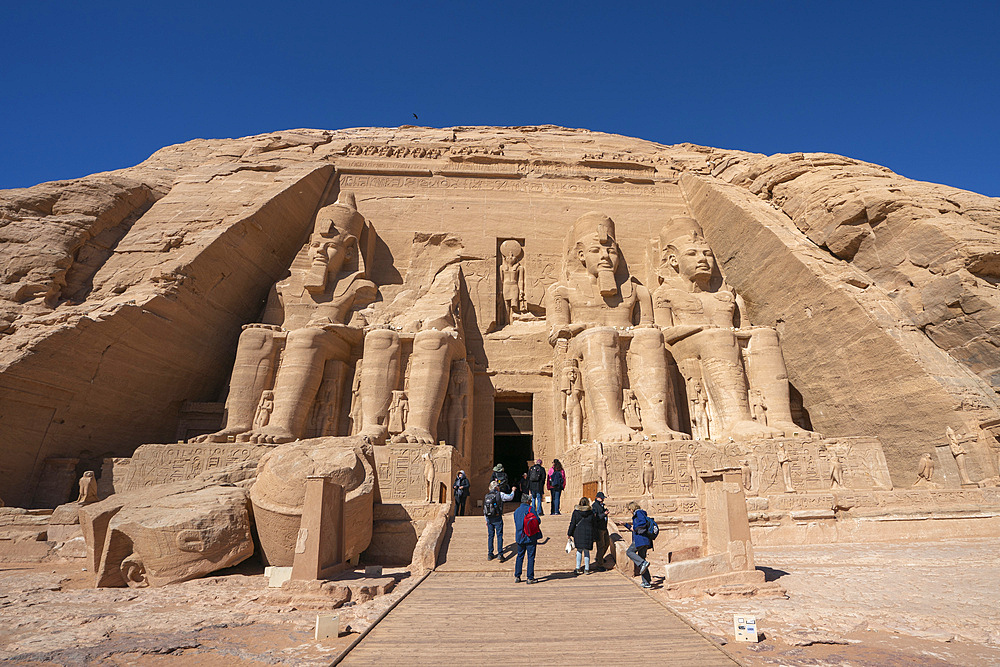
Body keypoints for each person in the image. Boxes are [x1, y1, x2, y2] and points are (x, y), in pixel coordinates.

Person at [623, 500, 652, 588]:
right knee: (642, 559)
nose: (630, 511)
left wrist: (634, 527)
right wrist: (626, 525)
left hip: (640, 540)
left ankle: (643, 563)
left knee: (629, 552)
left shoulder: (639, 513)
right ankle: (646, 582)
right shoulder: (639, 514)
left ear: (632, 508)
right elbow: (635, 528)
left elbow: (641, 524)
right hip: (644, 540)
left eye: (629, 509)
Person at [513, 493, 541, 583]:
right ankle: (530, 577)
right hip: (530, 536)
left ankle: (517, 576)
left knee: (520, 556)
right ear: (528, 501)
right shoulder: (531, 509)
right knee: (531, 557)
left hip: (520, 537)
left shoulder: (516, 511)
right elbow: (538, 520)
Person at [484, 480, 514, 561]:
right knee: (499, 535)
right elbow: (510, 497)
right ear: (496, 487)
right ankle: (500, 554)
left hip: (489, 518)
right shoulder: (500, 494)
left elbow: (485, 509)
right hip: (497, 517)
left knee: (490, 536)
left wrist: (486, 520)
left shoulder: (487, 495)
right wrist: (513, 491)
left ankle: (490, 554)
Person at [567, 496, 596, 574]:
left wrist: (569, 533)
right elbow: (594, 524)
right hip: (588, 533)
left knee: (579, 551)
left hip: (578, 533)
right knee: (586, 551)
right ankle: (587, 568)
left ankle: (578, 567)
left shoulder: (576, 512)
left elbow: (572, 523)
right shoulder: (591, 512)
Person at [591, 491, 610, 571]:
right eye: (601, 498)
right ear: (597, 498)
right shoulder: (595, 506)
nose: (602, 500)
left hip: (604, 528)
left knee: (607, 543)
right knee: (601, 546)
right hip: (599, 529)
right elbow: (596, 517)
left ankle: (600, 557)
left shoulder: (600, 505)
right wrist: (604, 514)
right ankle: (599, 564)